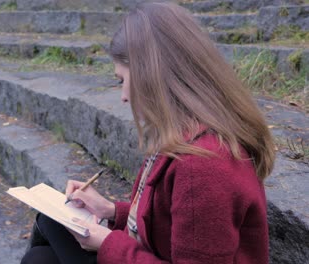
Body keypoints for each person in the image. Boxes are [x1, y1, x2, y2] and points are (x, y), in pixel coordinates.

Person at [21, 1, 275, 263]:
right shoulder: (185, 134)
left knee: (39, 258)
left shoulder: (202, 165)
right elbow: (167, 224)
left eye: (122, 80)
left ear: (149, 75)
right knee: (48, 226)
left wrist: (108, 242)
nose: (122, 97)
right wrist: (110, 211)